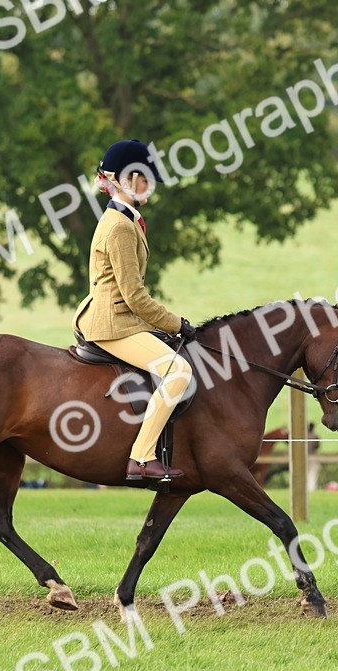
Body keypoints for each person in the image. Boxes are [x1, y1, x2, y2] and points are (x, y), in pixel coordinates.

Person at [72, 138, 196, 483]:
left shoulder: (125, 220)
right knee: (178, 372)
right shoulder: (119, 227)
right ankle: (141, 458)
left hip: (120, 317)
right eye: (144, 178)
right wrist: (176, 324)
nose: (150, 185)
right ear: (124, 180)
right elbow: (134, 296)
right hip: (113, 323)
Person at [306, 422, 321, 492]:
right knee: (313, 473)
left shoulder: (303, 436)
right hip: (313, 456)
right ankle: (311, 488)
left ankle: (305, 487)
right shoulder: (315, 436)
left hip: (303, 456)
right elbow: (317, 446)